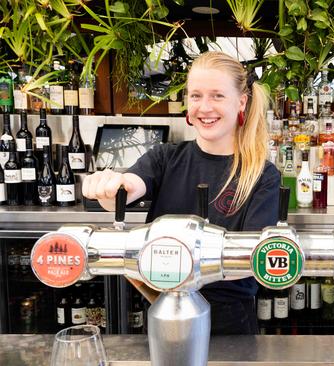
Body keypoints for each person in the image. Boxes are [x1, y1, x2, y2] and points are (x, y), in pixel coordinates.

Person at [82, 51, 280, 335]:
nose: (204, 107)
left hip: (229, 319)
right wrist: (110, 187)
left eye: (217, 96)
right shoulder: (166, 157)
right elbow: (130, 186)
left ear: (242, 102)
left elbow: (253, 260)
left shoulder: (261, 175)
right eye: (196, 95)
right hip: (165, 309)